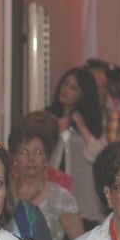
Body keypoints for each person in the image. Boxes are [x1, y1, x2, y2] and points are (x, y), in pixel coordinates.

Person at [9, 121, 84, 240]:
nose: (31, 158)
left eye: (38, 152)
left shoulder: (62, 198)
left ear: (47, 157)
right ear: (14, 157)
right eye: (24, 152)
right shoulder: (2, 195)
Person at [48, 67, 107, 228]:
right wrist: (55, 129)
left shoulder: (93, 124)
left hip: (83, 201)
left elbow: (100, 156)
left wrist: (82, 127)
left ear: (83, 94)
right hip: (53, 197)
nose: (66, 90)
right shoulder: (49, 118)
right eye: (65, 84)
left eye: (73, 87)